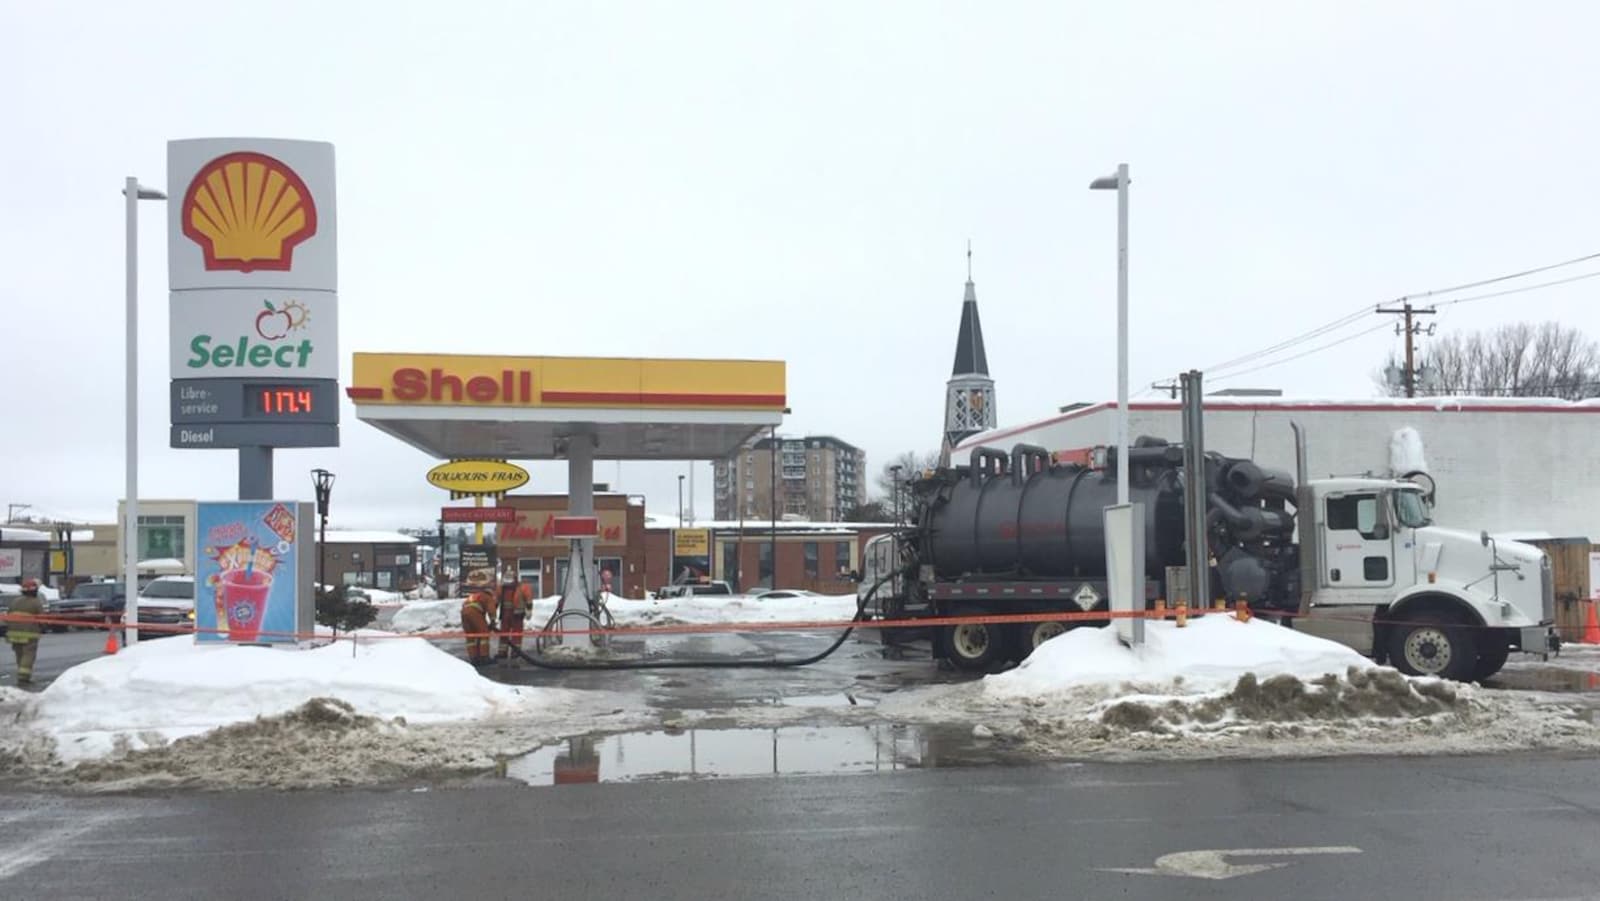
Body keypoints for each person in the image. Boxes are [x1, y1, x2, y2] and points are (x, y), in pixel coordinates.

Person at [7, 578, 45, 685]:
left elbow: (7, 615)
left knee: (19, 654)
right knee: (28, 654)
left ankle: (21, 673)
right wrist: (43, 627)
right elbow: (42, 618)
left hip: (13, 633)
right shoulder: (35, 602)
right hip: (29, 633)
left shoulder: (15, 601)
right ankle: (24, 677)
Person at [459, 573, 497, 667]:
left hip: (464, 613)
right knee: (484, 634)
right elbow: (491, 610)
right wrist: (492, 621)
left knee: (470, 636)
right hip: (474, 613)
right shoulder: (488, 597)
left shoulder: (475, 596)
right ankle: (484, 657)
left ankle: (474, 658)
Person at [494, 575, 534, 662]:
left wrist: (529, 610)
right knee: (504, 633)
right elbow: (496, 600)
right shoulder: (501, 588)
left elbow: (528, 599)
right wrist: (493, 612)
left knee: (516, 634)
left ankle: (515, 652)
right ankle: (502, 652)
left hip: (517, 614)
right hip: (506, 614)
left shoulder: (522, 588)